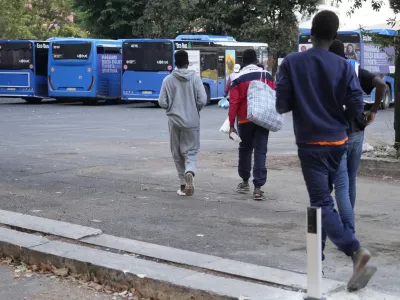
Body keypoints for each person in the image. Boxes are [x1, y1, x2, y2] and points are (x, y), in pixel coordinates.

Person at [275, 10, 376, 291]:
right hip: (339, 144)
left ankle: (355, 252)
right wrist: (352, 117)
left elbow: (282, 105)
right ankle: (315, 264)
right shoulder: (344, 66)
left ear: (311, 34)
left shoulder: (293, 63)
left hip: (311, 145)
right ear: (334, 36)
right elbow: (357, 100)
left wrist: (302, 96)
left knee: (320, 203)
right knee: (321, 205)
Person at [329, 39, 387, 234]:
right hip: (356, 131)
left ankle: (347, 229)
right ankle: (347, 221)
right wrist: (374, 110)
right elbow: (382, 85)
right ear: (345, 53)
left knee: (341, 184)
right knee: (350, 179)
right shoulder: (354, 68)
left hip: (336, 135)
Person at [158, 50, 207, 197]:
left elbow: (162, 102)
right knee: (191, 150)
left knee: (177, 152)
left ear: (175, 63)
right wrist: (195, 109)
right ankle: (190, 171)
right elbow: (202, 100)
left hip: (174, 121)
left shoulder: (168, 80)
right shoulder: (196, 79)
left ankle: (182, 184)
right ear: (187, 62)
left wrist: (171, 109)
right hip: (192, 121)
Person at [228, 49, 275, 201]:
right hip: (262, 119)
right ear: (255, 60)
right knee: (261, 151)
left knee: (245, 149)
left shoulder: (237, 78)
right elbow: (272, 95)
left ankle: (245, 181)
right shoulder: (266, 75)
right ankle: (258, 188)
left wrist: (231, 124)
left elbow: (234, 102)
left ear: (243, 61)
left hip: (244, 119)